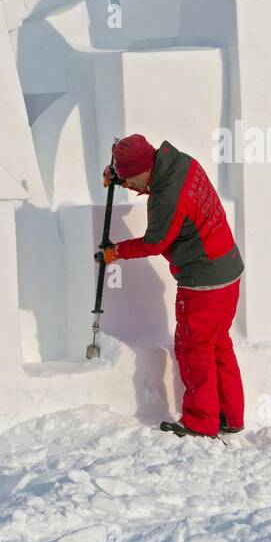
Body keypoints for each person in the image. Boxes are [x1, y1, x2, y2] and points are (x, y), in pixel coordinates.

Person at [97, 134, 245, 437]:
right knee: (219, 344)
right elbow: (156, 185)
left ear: (142, 169)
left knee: (194, 350)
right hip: (228, 270)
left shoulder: (165, 198)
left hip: (203, 282)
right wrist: (122, 181)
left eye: (131, 181)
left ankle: (201, 422)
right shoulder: (182, 164)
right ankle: (231, 417)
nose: (134, 188)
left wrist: (115, 252)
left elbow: (155, 242)